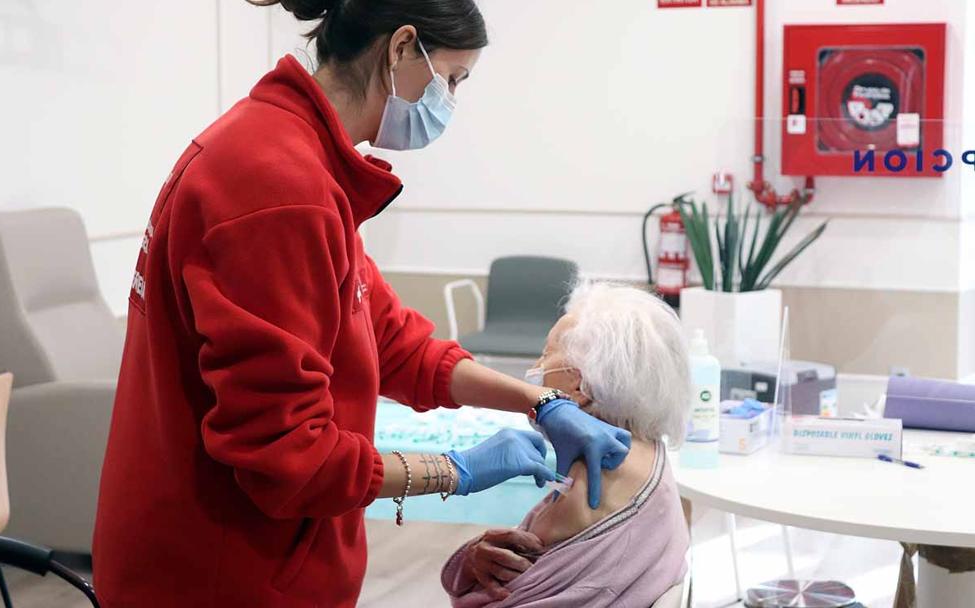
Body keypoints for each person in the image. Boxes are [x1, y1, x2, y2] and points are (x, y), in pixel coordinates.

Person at [92, 1, 632, 607]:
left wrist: (539, 401)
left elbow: (393, 341)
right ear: (402, 47)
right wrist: (457, 469)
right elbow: (290, 458)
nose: (449, 101)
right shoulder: (278, 188)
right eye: (452, 79)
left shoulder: (296, 158)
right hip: (219, 574)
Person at [441, 282, 693, 607]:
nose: (537, 367)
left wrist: (467, 560)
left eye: (546, 354)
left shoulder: (591, 482)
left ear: (580, 384)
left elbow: (496, 596)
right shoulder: (648, 450)